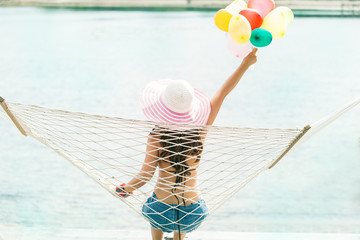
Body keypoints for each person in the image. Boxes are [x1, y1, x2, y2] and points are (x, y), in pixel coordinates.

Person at [116, 48, 258, 240]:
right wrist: (245, 64)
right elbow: (223, 93)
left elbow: (145, 176)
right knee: (181, 223)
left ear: (162, 109)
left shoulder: (157, 136)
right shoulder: (200, 132)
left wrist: (123, 190)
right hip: (193, 212)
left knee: (154, 207)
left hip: (160, 211)